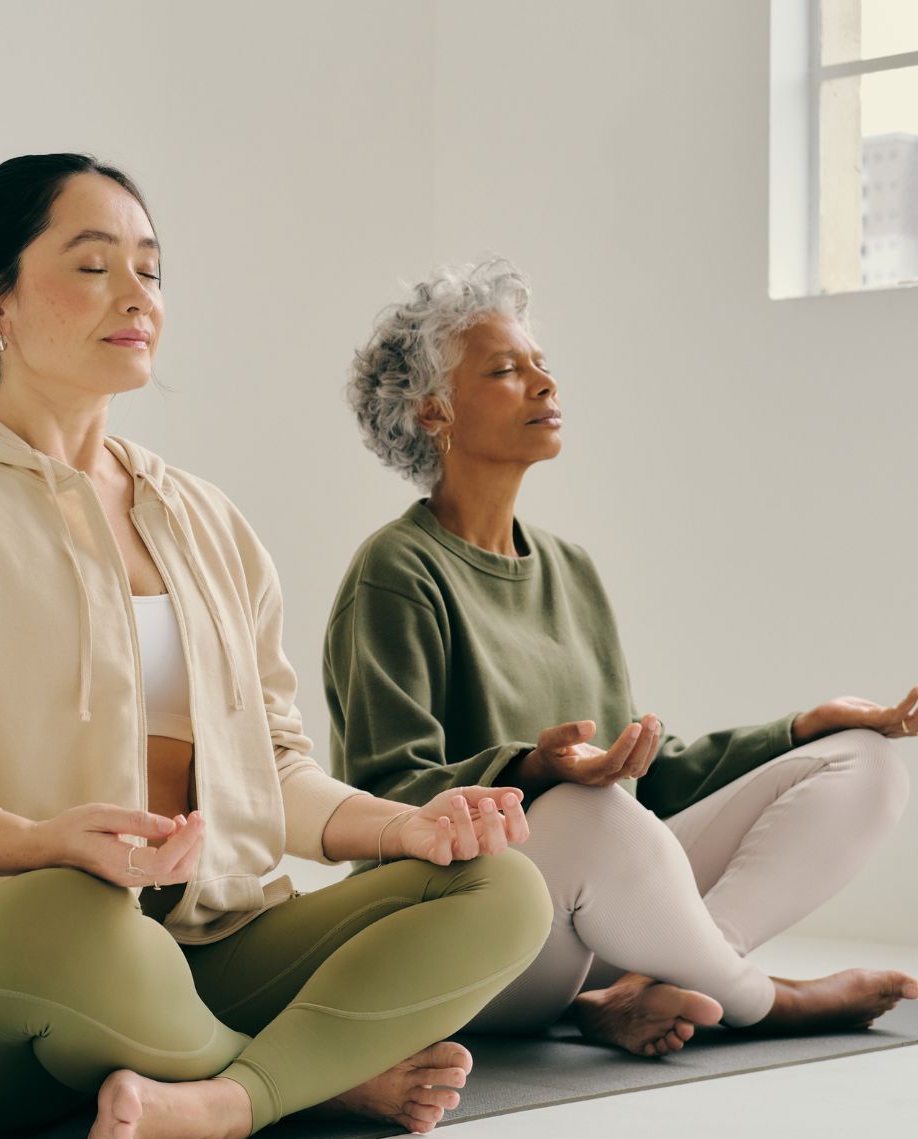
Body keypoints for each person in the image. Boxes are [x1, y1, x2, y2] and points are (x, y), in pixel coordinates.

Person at [0, 159, 555, 1139]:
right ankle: (306, 1083)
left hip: (207, 952)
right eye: (92, 264)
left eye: (151, 271)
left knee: (499, 886)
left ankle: (216, 1100)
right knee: (77, 913)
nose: (134, 296)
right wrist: (35, 843)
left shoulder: (207, 521)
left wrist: (407, 828)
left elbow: (277, 770)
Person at [322, 256, 917, 1058]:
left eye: (542, 364)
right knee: (585, 810)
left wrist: (801, 727)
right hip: (472, 933)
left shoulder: (571, 570)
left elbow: (645, 776)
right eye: (506, 369)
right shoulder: (396, 571)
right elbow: (387, 797)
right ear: (434, 413)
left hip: (601, 908)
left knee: (864, 759)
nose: (543, 384)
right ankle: (758, 1000)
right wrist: (534, 772)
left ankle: (652, 986)